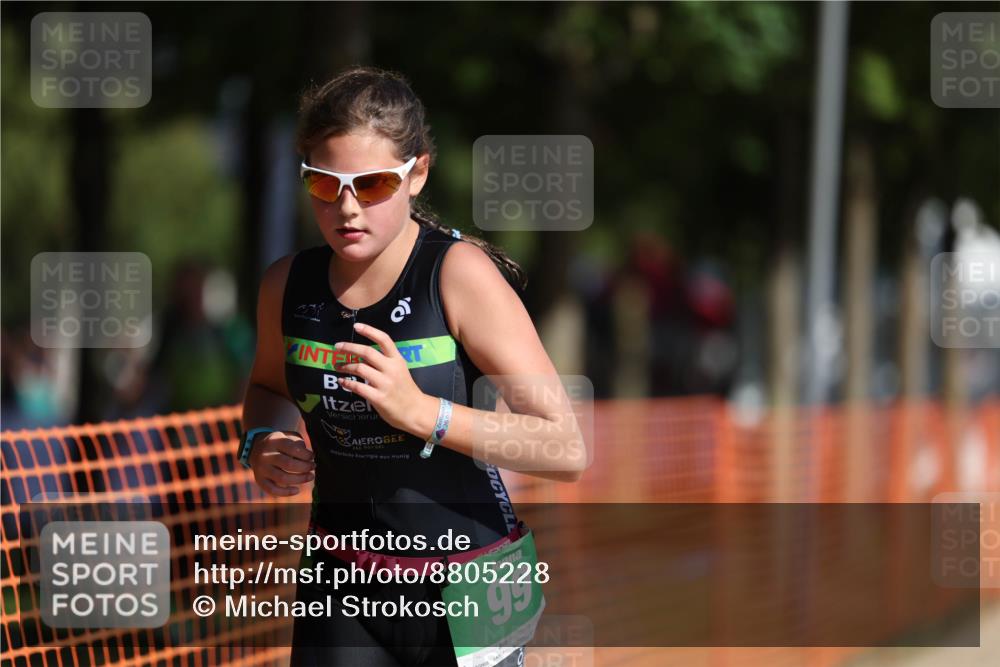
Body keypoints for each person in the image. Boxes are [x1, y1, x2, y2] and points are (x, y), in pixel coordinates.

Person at [240, 66, 584, 666]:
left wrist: (424, 413)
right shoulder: (285, 285)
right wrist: (261, 439)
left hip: (468, 585)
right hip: (341, 585)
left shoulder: (458, 274)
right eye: (324, 185)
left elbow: (564, 448)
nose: (347, 208)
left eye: (371, 185)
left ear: (417, 173)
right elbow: (268, 386)